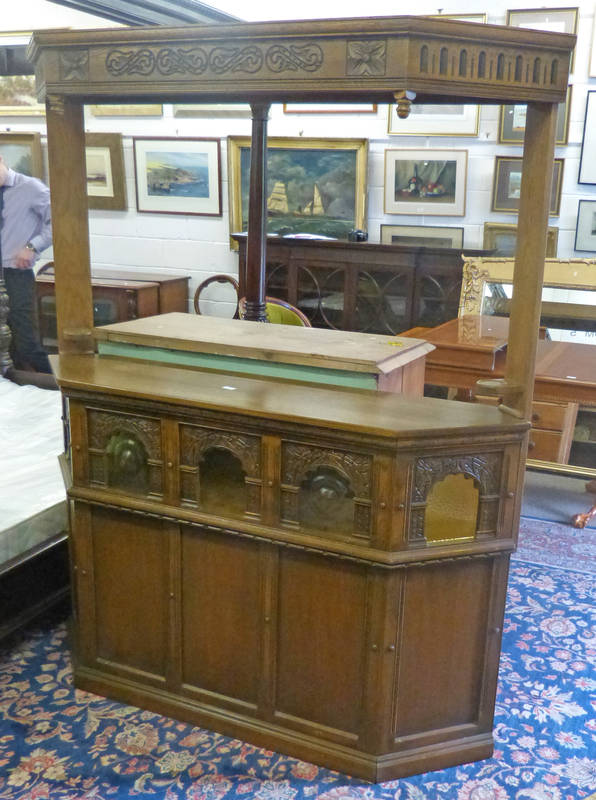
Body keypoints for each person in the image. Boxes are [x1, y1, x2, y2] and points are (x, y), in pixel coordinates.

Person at [0, 154, 52, 373]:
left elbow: (59, 221)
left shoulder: (31, 188)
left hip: (15, 272)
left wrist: (32, 247)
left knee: (25, 342)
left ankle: (58, 388)